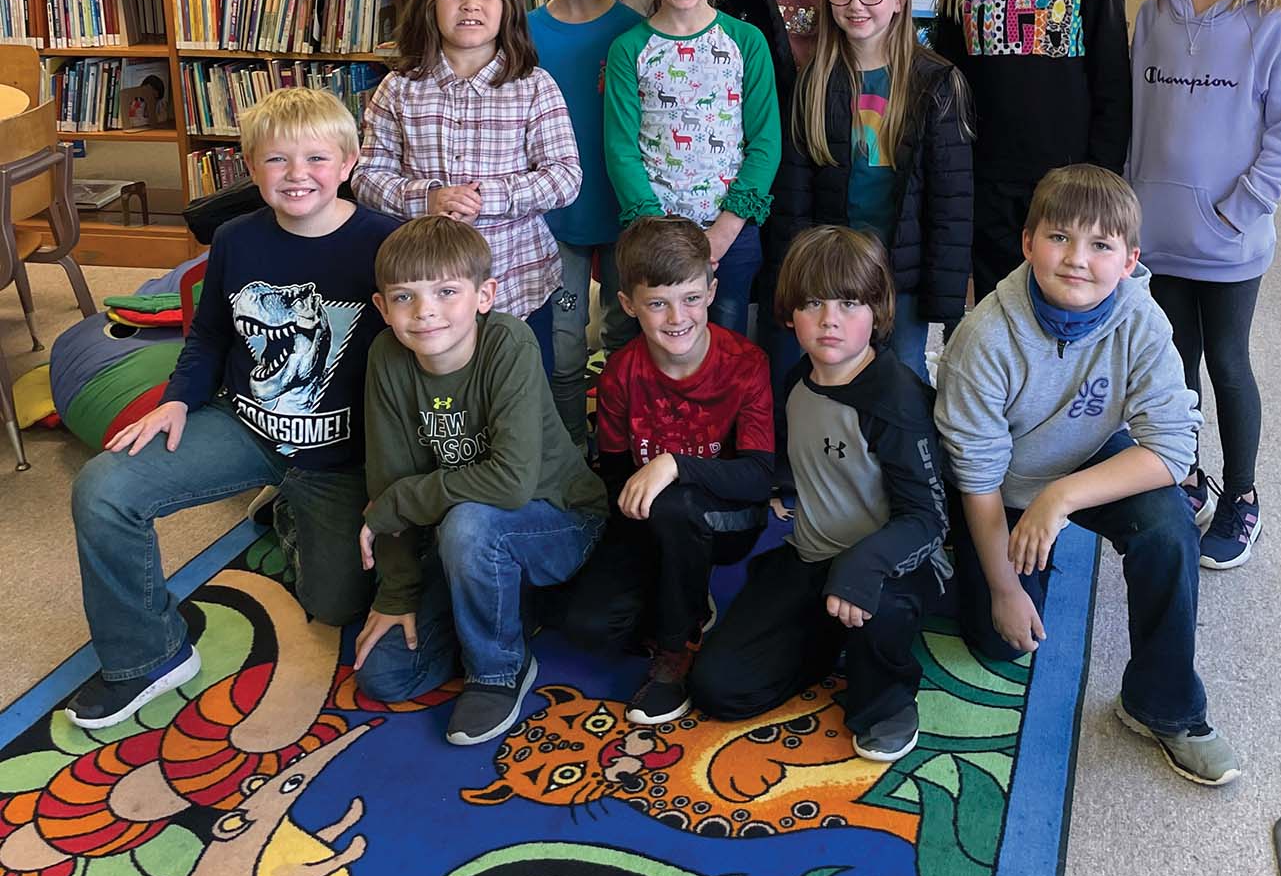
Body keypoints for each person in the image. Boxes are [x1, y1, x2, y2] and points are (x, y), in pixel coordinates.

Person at [65, 90, 401, 730]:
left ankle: (289, 512)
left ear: (352, 162)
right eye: (277, 159)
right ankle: (147, 658)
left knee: (335, 603)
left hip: (343, 455)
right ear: (249, 167)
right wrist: (175, 401)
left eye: (316, 158)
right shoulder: (235, 238)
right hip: (247, 427)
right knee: (105, 488)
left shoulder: (385, 243)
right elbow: (212, 333)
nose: (297, 174)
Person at [936, 165, 1239, 787]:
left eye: (1100, 245)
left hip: (1082, 464)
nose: (1077, 259)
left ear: (1129, 260)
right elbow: (977, 475)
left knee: (1167, 523)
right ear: (1027, 244)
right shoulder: (984, 336)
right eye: (1059, 239)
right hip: (1002, 485)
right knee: (1003, 641)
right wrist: (1003, 589)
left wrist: (1062, 497)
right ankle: (952, 555)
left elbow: (1173, 449)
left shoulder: (1143, 318)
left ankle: (1165, 708)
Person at [691, 225, 949, 764]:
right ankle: (831, 638)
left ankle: (888, 698)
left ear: (878, 312)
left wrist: (865, 568)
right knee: (719, 688)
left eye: (849, 302)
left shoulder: (895, 398)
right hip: (812, 555)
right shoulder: (796, 380)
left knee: (882, 616)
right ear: (789, 313)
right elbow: (801, 455)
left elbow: (928, 520)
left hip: (893, 565)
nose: (829, 318)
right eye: (813, 302)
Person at [354, 216, 607, 747]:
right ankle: (506, 607)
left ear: (484, 294)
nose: (425, 312)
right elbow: (389, 478)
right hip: (455, 536)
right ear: (382, 308)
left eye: (446, 291)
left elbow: (511, 483)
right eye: (404, 296)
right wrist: (398, 593)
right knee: (385, 676)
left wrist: (400, 503)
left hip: (559, 519)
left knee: (471, 525)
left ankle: (497, 671)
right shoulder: (386, 358)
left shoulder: (509, 344)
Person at [1127, 0, 1281, 570]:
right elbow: (1141, 123)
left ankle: (1241, 494)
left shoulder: (1272, 24)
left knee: (1228, 364)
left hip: (1230, 241)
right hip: (1158, 237)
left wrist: (1237, 212)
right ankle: (1188, 473)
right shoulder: (1153, 13)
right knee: (1174, 364)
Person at [547, 215, 774, 725]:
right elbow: (615, 475)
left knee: (676, 501)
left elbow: (759, 477)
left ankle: (677, 649)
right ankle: (679, 592)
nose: (677, 316)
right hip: (649, 520)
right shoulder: (620, 375)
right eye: (657, 303)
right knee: (588, 627)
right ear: (628, 305)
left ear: (712, 291)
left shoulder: (746, 363)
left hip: (728, 521)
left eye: (691, 298)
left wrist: (675, 464)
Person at [354, 0, 581, 372]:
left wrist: (487, 198)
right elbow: (366, 176)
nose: (470, 4)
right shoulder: (400, 89)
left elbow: (565, 176)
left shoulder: (534, 86)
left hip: (517, 282)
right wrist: (428, 199)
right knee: (440, 403)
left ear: (508, 5)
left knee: (521, 399)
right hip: (426, 295)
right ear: (430, 3)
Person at [930, 0, 1129, 299]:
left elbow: (1111, 81)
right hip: (987, 175)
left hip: (1067, 177)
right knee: (1000, 301)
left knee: (1066, 297)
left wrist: (1101, 176)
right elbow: (945, 78)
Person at [766, 0, 972, 384]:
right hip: (830, 271)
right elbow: (794, 194)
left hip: (904, 273)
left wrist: (944, 297)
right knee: (823, 377)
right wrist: (790, 277)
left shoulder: (935, 83)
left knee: (902, 377)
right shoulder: (814, 81)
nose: (856, 4)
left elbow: (951, 202)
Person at [604, 0, 779, 336]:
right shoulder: (629, 49)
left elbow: (764, 142)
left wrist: (725, 229)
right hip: (652, 234)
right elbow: (621, 147)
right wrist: (654, 229)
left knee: (727, 340)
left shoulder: (746, 41)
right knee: (659, 339)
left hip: (729, 235)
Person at [526, 0, 642, 448]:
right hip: (553, 219)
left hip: (625, 212)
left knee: (624, 333)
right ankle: (572, 450)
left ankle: (617, 443)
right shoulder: (519, 33)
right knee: (565, 340)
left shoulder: (634, 32)